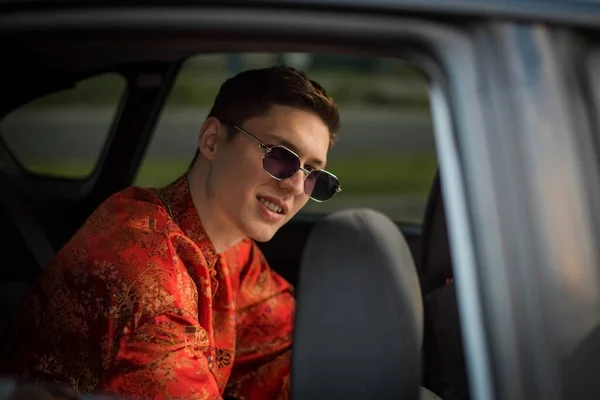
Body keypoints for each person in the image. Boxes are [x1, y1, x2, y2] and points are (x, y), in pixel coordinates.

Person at [2, 66, 341, 400]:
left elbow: (290, 351)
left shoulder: (233, 250)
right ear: (212, 140)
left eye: (313, 173)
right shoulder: (144, 271)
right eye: (280, 157)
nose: (296, 186)